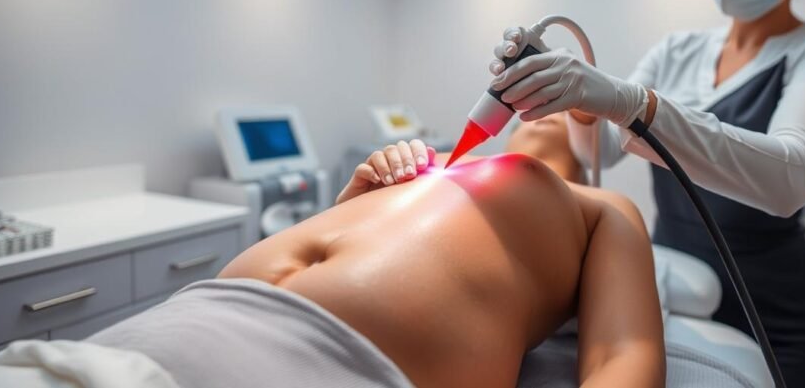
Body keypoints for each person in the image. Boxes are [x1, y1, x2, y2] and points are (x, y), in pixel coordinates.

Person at [489, 0, 805, 387]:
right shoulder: (679, 50)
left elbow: (790, 179)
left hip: (778, 310)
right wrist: (579, 106)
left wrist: (631, 102)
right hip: (668, 284)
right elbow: (601, 149)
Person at [80, 138, 664, 388]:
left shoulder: (601, 205)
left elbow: (623, 356)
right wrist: (356, 200)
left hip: (344, 361)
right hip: (186, 321)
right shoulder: (442, 159)